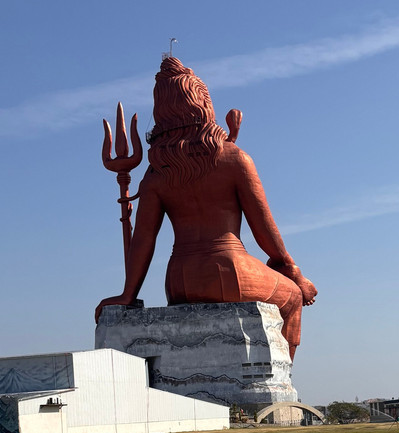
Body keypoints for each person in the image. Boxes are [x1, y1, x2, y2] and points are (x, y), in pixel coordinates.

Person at [95, 58, 317, 360]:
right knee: (291, 297)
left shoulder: (156, 172)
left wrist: (127, 294)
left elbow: (144, 240)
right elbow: (264, 230)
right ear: (201, 101)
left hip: (179, 279)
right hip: (233, 270)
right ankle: (282, 384)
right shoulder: (234, 158)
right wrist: (293, 271)